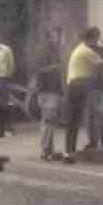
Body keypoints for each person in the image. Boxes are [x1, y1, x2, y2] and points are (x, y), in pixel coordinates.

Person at [64, 27, 103, 163]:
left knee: (73, 121)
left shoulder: (79, 49)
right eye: (96, 39)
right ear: (91, 39)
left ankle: (68, 152)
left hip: (72, 85)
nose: (97, 42)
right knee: (88, 115)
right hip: (80, 84)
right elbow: (102, 66)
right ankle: (88, 144)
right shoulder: (87, 51)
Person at [30, 30, 66, 161]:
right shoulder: (42, 52)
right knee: (48, 120)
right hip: (46, 91)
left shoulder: (55, 52)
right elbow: (37, 70)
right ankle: (44, 149)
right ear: (48, 39)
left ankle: (49, 149)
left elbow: (59, 72)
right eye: (54, 38)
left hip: (53, 90)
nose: (57, 40)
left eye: (57, 38)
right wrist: (51, 68)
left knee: (50, 120)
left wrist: (61, 91)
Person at [86, 34, 103, 149]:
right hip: (96, 88)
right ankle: (97, 141)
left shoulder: (101, 55)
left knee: (99, 116)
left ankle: (100, 141)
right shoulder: (96, 55)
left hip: (99, 88)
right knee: (97, 116)